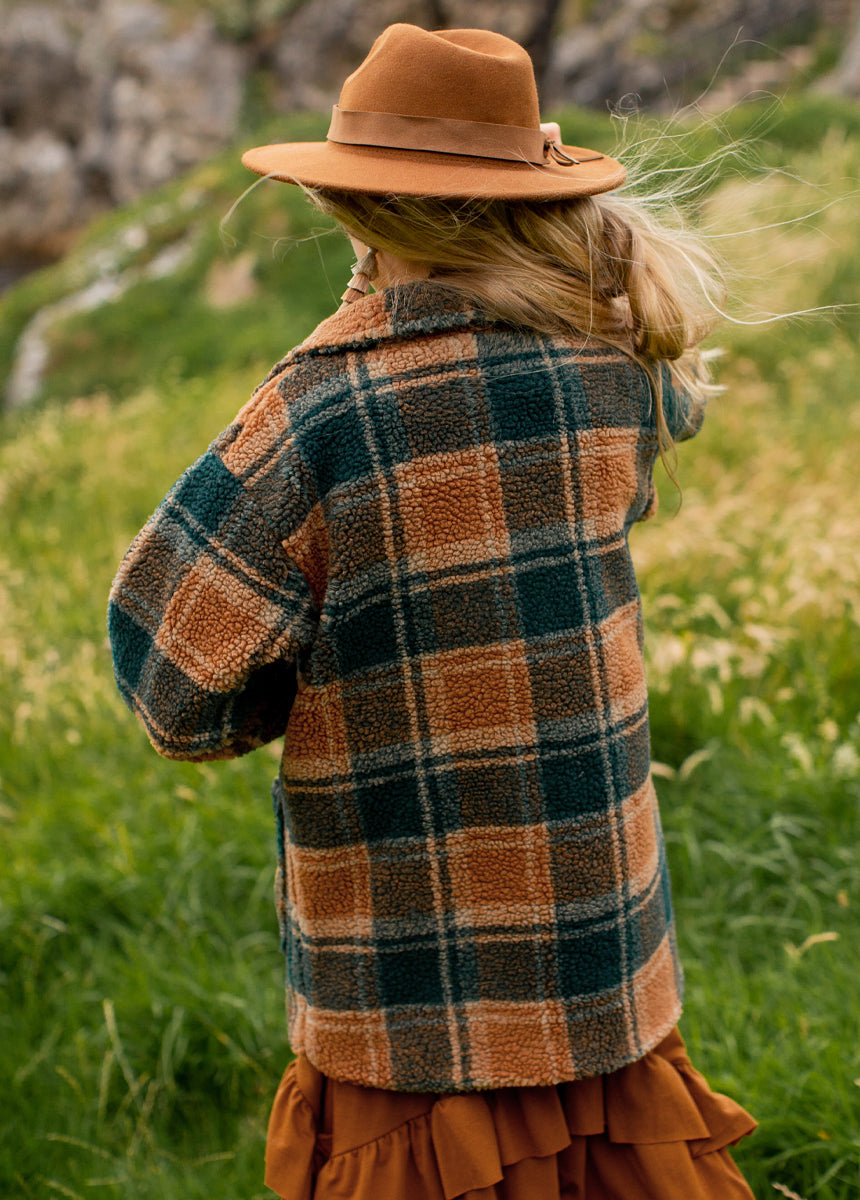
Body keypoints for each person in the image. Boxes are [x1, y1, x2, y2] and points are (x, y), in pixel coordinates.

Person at [108, 22, 758, 1200]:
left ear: (357, 210)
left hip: (418, 1003)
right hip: (600, 965)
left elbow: (166, 682)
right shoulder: (614, 369)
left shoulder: (318, 414)